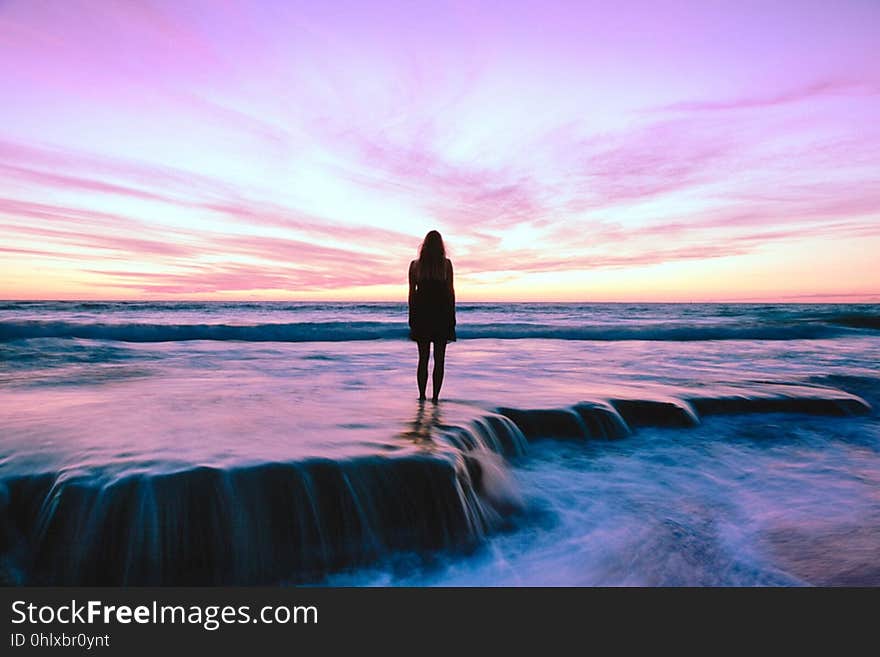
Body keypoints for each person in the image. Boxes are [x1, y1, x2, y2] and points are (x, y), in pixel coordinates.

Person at [408, 230, 456, 403]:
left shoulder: (415, 265)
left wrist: (411, 317)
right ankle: (435, 398)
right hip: (442, 315)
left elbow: (411, 295)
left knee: (423, 359)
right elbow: (451, 293)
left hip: (422, 316)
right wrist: (452, 318)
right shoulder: (446, 265)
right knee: (439, 360)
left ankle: (422, 396)